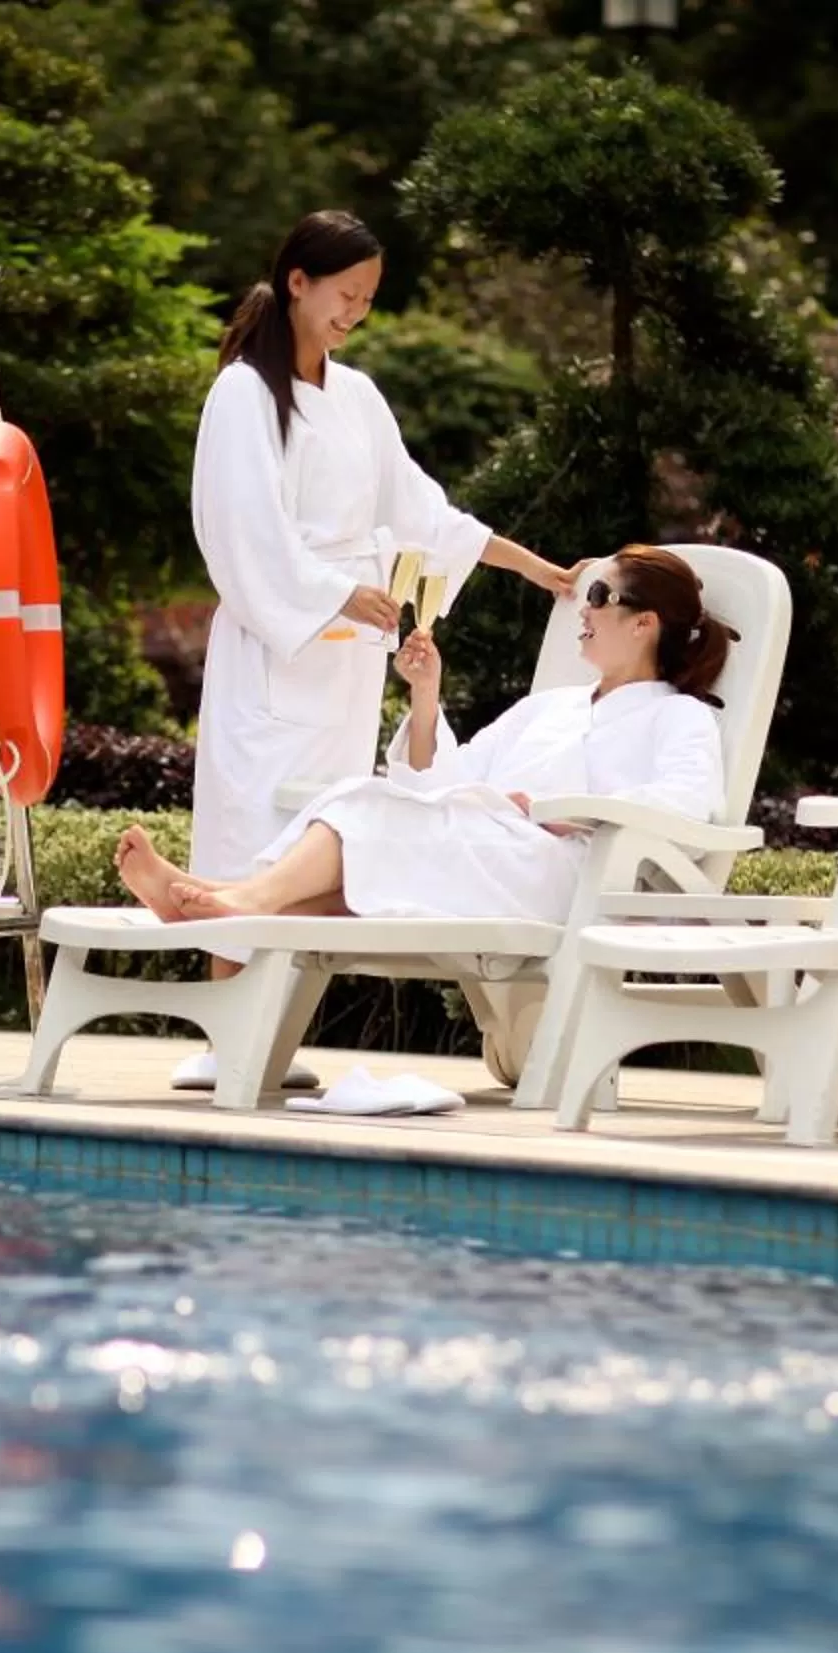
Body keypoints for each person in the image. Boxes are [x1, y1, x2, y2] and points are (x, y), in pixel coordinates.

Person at [178, 209, 573, 1087]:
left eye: (367, 300)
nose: (354, 313)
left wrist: (539, 570)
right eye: (345, 295)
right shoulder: (243, 393)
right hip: (276, 647)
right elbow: (242, 528)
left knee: (325, 837)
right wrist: (330, 593)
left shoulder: (356, 397)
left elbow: (424, 513)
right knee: (250, 825)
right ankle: (224, 1042)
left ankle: (269, 1045)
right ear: (298, 283)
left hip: (347, 665)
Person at [117, 545, 731, 926]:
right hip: (494, 853)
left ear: (645, 623)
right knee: (367, 814)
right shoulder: (549, 708)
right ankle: (232, 902)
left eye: (599, 594)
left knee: (368, 811)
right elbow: (444, 783)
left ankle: (237, 899)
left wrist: (563, 812)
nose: (584, 608)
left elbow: (686, 805)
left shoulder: (680, 716)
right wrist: (426, 693)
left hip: (571, 876)